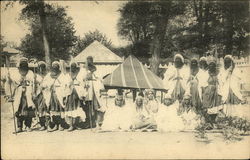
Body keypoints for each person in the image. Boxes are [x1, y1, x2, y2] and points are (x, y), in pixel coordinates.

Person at [5, 58, 35, 132]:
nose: (24, 67)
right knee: (18, 110)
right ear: (20, 66)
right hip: (19, 93)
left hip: (28, 93)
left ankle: (28, 126)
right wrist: (8, 78)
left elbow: (33, 82)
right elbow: (11, 82)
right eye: (22, 65)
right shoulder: (15, 73)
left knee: (29, 110)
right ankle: (19, 126)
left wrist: (32, 80)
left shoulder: (30, 72)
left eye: (25, 65)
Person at [42, 61, 70, 132]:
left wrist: (64, 93)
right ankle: (55, 125)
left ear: (58, 67)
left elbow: (66, 84)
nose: (55, 68)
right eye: (54, 66)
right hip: (51, 94)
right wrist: (48, 85)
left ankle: (61, 125)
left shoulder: (62, 75)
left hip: (59, 94)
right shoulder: (49, 75)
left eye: (56, 66)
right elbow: (44, 83)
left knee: (60, 110)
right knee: (53, 110)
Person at [64, 62, 86, 131]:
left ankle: (76, 124)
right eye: (71, 66)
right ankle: (71, 125)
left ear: (76, 67)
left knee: (77, 109)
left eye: (74, 66)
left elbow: (82, 83)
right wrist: (69, 84)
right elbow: (65, 84)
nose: (73, 68)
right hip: (70, 94)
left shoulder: (79, 74)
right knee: (70, 109)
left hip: (77, 93)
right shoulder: (68, 75)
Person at [202, 56, 222, 129]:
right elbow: (203, 83)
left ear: (215, 66)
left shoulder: (218, 73)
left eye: (213, 65)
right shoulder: (206, 73)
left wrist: (219, 91)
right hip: (208, 91)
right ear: (208, 65)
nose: (211, 66)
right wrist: (205, 91)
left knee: (215, 106)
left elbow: (220, 82)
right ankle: (209, 122)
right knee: (208, 107)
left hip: (216, 91)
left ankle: (213, 121)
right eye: (210, 64)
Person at [33, 61, 49, 131]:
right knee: (40, 109)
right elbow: (34, 86)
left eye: (43, 67)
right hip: (39, 94)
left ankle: (50, 124)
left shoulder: (48, 75)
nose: (41, 69)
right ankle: (42, 124)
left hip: (47, 93)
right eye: (40, 67)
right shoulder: (36, 76)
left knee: (48, 108)